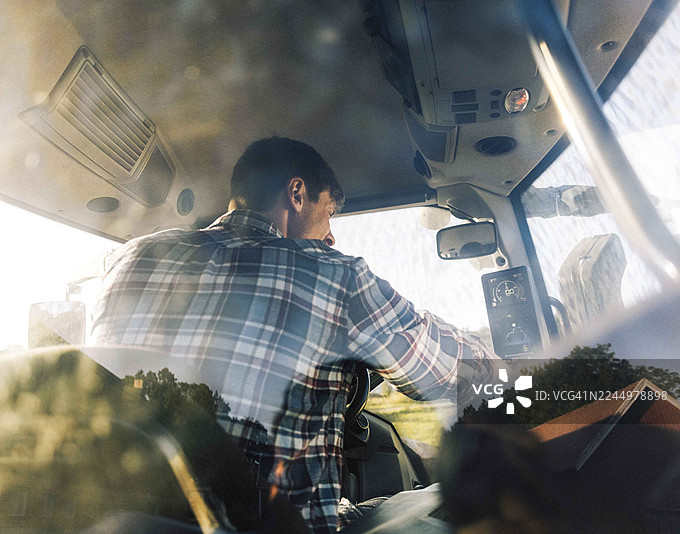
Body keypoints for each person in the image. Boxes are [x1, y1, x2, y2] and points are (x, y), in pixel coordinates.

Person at [91, 136, 498, 533]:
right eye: (329, 213)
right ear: (297, 194)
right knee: (439, 501)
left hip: (122, 518)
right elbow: (455, 373)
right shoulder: (336, 276)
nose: (331, 235)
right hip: (259, 524)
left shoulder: (127, 260)